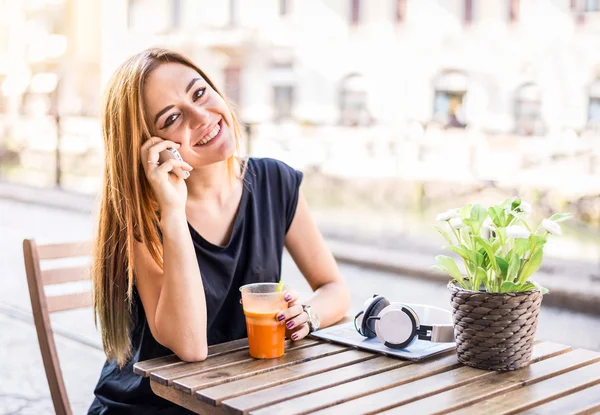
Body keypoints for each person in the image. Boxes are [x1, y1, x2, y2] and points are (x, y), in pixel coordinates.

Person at [87, 48, 350, 414]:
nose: (201, 116)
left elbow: (334, 288)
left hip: (241, 399)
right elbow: (191, 346)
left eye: (199, 93)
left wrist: (307, 313)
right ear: (149, 146)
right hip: (148, 406)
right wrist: (173, 212)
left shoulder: (275, 181)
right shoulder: (142, 218)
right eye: (172, 118)